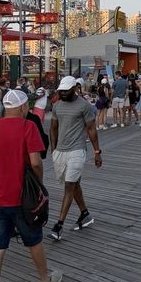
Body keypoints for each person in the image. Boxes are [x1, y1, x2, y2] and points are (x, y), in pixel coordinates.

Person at [0, 88, 62, 282]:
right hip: (23, 199)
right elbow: (35, 162)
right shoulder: (28, 126)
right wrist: (39, 186)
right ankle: (45, 280)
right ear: (24, 107)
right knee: (33, 240)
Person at [48, 75, 102, 241]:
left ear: (74, 89)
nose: (62, 93)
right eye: (60, 91)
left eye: (65, 91)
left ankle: (59, 225)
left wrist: (97, 152)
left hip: (77, 150)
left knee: (69, 186)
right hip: (60, 151)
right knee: (73, 183)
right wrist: (53, 149)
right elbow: (53, 128)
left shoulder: (84, 106)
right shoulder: (57, 106)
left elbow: (91, 129)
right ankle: (85, 214)